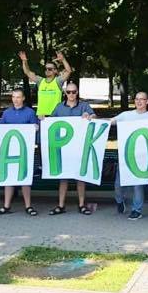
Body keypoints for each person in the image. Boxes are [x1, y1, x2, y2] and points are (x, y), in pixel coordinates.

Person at [49, 82, 96, 216]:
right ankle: (61, 205)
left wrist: (89, 117)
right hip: (63, 148)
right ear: (65, 93)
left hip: (79, 146)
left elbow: (94, 116)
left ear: (77, 92)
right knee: (63, 178)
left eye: (74, 92)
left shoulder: (84, 106)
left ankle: (81, 205)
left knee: (80, 177)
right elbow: (51, 122)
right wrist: (43, 120)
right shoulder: (59, 107)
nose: (71, 94)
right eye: (68, 92)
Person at [111, 91, 148, 220]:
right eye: (137, 99)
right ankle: (119, 201)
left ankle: (137, 210)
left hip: (142, 159)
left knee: (138, 185)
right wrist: (92, 120)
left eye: (142, 99)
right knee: (118, 185)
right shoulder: (126, 115)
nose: (139, 101)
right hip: (126, 157)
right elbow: (110, 122)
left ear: (147, 101)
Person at [0, 89, 40, 216]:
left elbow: (35, 129)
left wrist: (36, 128)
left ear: (23, 98)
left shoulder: (30, 112)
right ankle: (6, 206)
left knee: (24, 178)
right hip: (10, 150)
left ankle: (28, 206)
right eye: (14, 97)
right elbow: (0, 128)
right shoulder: (7, 113)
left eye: (18, 97)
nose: (15, 99)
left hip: (25, 151)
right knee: (9, 178)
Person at [19, 50, 74, 119]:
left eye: (50, 69)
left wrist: (63, 60)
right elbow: (27, 72)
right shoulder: (40, 81)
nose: (47, 70)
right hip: (41, 116)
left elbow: (68, 71)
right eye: (46, 69)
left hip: (55, 115)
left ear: (55, 71)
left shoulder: (58, 81)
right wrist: (24, 61)